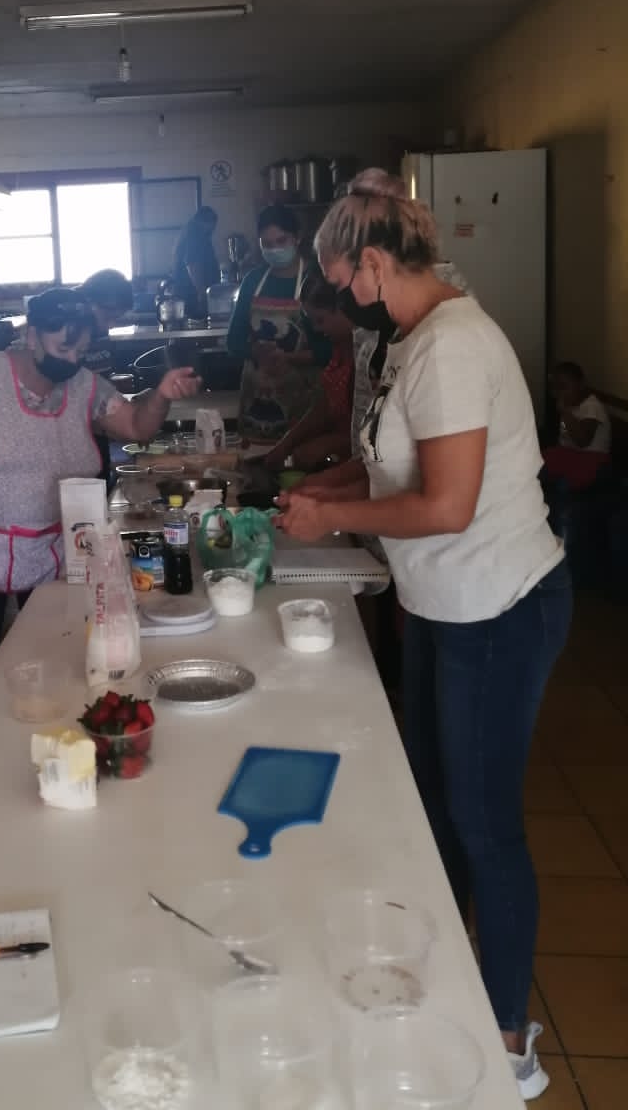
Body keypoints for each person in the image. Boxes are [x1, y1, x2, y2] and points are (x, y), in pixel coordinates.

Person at [279, 175, 569, 1099]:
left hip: (498, 605)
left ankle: (509, 1036)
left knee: (485, 823)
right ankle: (441, 977)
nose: (342, 303)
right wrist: (325, 489)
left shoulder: (452, 345)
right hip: (444, 603)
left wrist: (332, 521)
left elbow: (446, 505)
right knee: (433, 804)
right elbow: (390, 464)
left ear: (372, 263)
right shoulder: (410, 341)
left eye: (343, 284)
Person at [0, 287, 199, 719]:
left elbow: (135, 426)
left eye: (81, 351)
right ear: (32, 335)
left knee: (55, 648)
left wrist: (161, 394)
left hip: (57, 546)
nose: (71, 360)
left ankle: (48, 726)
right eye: (63, 348)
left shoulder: (85, 385)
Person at [226, 205, 329, 442]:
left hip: (305, 401)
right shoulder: (253, 281)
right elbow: (233, 341)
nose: (274, 249)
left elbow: (332, 349)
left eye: (281, 241)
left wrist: (291, 358)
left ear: (297, 237)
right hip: (256, 401)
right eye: (267, 243)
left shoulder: (316, 278)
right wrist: (256, 352)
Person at [262, 274, 354, 470]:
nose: (316, 328)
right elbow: (326, 404)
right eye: (312, 321)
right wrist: (288, 442)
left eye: (320, 320)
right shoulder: (340, 347)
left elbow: (377, 430)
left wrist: (330, 443)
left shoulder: (372, 351)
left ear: (344, 308)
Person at [80, 268, 135, 481]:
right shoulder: (66, 335)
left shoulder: (99, 331)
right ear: (89, 301)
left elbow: (100, 381)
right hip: (74, 434)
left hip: (98, 430)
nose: (111, 324)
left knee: (101, 479)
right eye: (108, 316)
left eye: (116, 318)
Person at [542, 360, 611, 491]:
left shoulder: (592, 406)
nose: (558, 393)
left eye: (563, 387)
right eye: (555, 388)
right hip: (569, 454)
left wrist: (565, 412)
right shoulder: (569, 405)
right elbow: (563, 439)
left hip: (592, 459)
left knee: (562, 483)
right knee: (536, 462)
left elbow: (583, 441)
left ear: (581, 385)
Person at [170, 205, 220, 320]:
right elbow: (192, 264)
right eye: (213, 225)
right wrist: (202, 293)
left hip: (188, 295)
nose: (213, 229)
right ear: (206, 222)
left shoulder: (189, 234)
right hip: (193, 298)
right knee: (198, 328)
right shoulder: (196, 236)